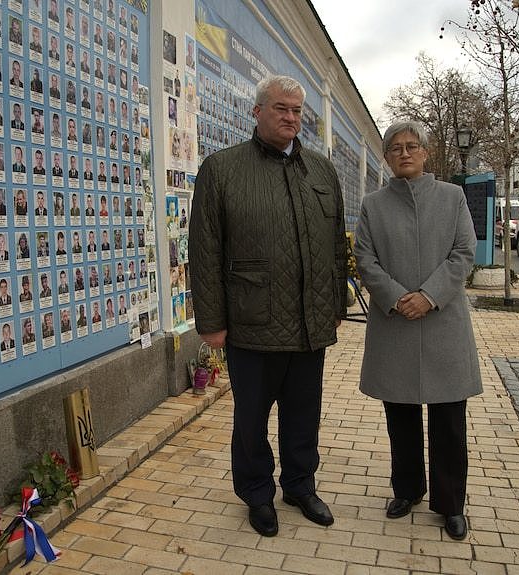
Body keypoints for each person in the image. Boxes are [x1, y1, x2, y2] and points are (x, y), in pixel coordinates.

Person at [190, 75, 346, 537]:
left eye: (297, 111)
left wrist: (335, 301)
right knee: (251, 419)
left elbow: (336, 245)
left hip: (307, 324)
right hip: (250, 323)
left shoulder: (321, 171)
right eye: (281, 108)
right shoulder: (223, 169)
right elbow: (205, 249)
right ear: (257, 112)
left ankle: (300, 485)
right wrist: (212, 322)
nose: (291, 117)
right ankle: (257, 494)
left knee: (304, 415)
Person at [353, 120, 482, 542]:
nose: (404, 153)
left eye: (412, 146)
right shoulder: (374, 205)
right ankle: (406, 490)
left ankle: (451, 505)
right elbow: (365, 258)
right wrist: (394, 296)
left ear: (426, 153)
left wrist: (428, 296)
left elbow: (465, 252)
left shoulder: (452, 197)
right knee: (401, 418)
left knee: (448, 422)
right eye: (395, 148)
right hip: (395, 324)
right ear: (387, 157)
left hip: (443, 323)